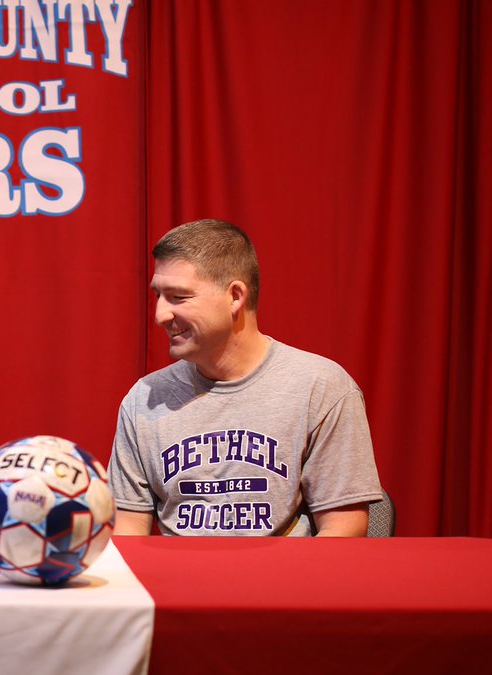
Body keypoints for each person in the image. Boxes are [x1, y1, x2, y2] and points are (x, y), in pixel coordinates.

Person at [108, 219, 382, 537]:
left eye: (178, 297)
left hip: (283, 583)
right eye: (158, 296)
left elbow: (344, 527)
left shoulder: (321, 387)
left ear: (235, 296)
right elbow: (128, 530)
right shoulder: (145, 398)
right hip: (177, 583)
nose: (160, 315)